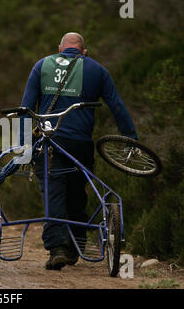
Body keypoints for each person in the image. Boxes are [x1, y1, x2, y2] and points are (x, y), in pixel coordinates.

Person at [19, 32, 138, 270]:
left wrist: (25, 148)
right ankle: (77, 244)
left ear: (59, 49)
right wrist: (130, 139)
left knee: (54, 192)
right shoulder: (97, 70)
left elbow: (25, 109)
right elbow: (117, 106)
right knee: (76, 192)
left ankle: (59, 249)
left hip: (49, 143)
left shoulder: (41, 65)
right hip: (80, 145)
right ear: (84, 51)